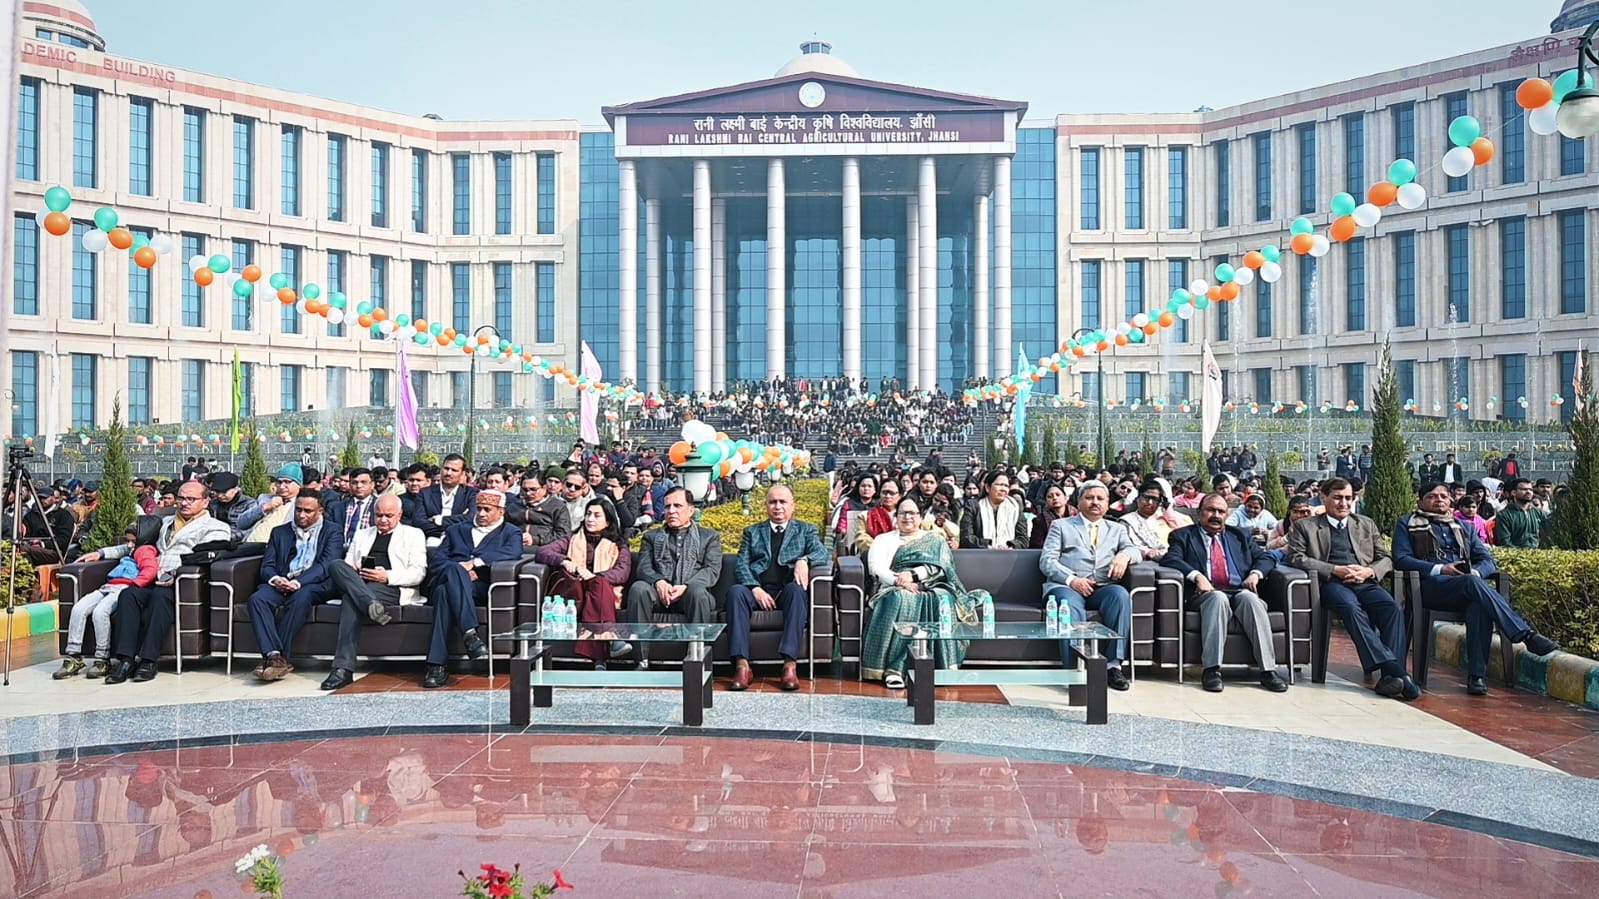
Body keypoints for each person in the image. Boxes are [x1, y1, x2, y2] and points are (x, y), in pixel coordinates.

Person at [1393, 482, 1558, 696]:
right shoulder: (1407, 523)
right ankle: (1526, 635)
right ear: (1421, 501)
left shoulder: (1464, 527)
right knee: (1472, 584)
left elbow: (1487, 560)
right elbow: (1402, 559)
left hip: (1467, 588)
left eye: (1443, 496)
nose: (1439, 500)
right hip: (1429, 588)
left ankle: (1476, 676)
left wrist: (1477, 572)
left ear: (1450, 500)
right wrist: (1441, 569)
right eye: (1433, 496)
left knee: (1478, 603)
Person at [1288, 478, 1419, 701]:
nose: (1344, 503)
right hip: (1331, 584)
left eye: (1348, 498)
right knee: (1350, 607)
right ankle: (1397, 671)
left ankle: (1390, 678)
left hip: (1365, 581)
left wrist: (1369, 571)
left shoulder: (1365, 524)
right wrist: (1334, 569)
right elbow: (1296, 558)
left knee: (1392, 608)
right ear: (1323, 498)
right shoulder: (1306, 526)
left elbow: (1386, 558)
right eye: (1338, 498)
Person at [95, 482, 234, 684]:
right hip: (151, 576)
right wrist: (101, 553)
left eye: (191, 499)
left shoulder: (216, 527)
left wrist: (176, 573)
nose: (184, 503)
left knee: (160, 598)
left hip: (182, 583)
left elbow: (206, 557)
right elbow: (136, 546)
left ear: (205, 501)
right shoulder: (164, 522)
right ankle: (125, 660)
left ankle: (149, 660)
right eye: (181, 498)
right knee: (128, 595)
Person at [1159, 493, 1288, 693]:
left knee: (1250, 599)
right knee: (1218, 598)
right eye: (1211, 510)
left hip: (1240, 589)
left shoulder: (1240, 535)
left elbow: (1266, 558)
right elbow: (1170, 559)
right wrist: (1197, 576)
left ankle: (1268, 671)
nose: (1216, 515)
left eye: (1221, 511)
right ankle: (1211, 670)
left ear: (1227, 514)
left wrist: (1255, 574)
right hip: (1204, 595)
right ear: (1199, 512)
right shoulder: (1183, 536)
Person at [861, 498, 992, 689]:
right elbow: (876, 568)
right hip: (893, 587)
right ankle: (895, 669)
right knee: (902, 598)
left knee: (942, 599)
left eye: (912, 513)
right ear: (896, 517)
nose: (907, 517)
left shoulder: (934, 540)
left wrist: (914, 575)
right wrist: (900, 580)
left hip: (931, 585)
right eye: (903, 513)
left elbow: (942, 568)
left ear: (920, 517)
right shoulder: (884, 540)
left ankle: (940, 667)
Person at [319, 495, 429, 691]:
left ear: (400, 515)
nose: (383, 520)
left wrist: (386, 576)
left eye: (389, 515)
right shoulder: (363, 534)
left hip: (392, 587)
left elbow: (418, 573)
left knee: (350, 599)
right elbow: (347, 566)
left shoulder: (414, 534)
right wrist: (356, 569)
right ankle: (370, 604)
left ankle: (343, 669)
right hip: (361, 583)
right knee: (336, 565)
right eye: (379, 515)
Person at [726, 484, 827, 692]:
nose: (778, 507)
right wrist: (755, 588)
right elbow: (741, 564)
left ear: (792, 506)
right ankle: (742, 665)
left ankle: (789, 664)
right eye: (773, 502)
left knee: (797, 591)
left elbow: (822, 553)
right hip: (758, 590)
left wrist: (804, 560)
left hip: (786, 591)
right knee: (735, 592)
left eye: (783, 502)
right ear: (766, 506)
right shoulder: (752, 532)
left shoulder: (806, 530)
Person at [1039, 482, 1137, 691]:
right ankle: (1076, 669)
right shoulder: (1062, 526)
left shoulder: (1117, 528)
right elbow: (1047, 560)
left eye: (1100, 499)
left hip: (1102, 586)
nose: (1095, 502)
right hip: (1067, 586)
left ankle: (1113, 665)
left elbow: (1134, 549)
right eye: (1089, 498)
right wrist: (1072, 579)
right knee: (1068, 604)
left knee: (1120, 596)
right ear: (1079, 501)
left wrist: (1124, 555)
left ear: (1107, 503)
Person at [419, 490, 522, 688]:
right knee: (451, 572)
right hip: (449, 579)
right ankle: (470, 635)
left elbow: (513, 552)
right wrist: (459, 571)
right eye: (479, 509)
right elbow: (438, 562)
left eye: (487, 510)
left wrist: (476, 563)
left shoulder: (510, 532)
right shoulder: (456, 530)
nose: (481, 514)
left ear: (501, 511)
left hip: (480, 587)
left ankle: (436, 665)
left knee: (444, 593)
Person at [247, 488, 343, 682]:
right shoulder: (280, 532)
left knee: (301, 597)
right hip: (281, 581)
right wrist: (276, 579)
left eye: (308, 511)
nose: (301, 515)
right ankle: (275, 656)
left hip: (312, 583)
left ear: (320, 510)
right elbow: (267, 566)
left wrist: (298, 582)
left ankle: (276, 657)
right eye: (298, 509)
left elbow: (326, 565)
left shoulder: (333, 531)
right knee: (257, 599)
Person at [622, 487, 721, 667]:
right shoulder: (651, 537)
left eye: (677, 506)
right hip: (660, 594)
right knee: (638, 588)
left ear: (691, 510)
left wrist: (687, 586)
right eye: (667, 506)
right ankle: (641, 660)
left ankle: (697, 660)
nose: (671, 511)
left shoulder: (709, 537)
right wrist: (659, 581)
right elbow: (644, 567)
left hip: (692, 595)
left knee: (697, 592)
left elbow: (711, 570)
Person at [55, 517, 161, 680]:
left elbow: (151, 570)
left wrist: (135, 584)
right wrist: (100, 553)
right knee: (78, 608)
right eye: (128, 541)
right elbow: (118, 550)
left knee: (100, 612)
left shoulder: (144, 551)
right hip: (108, 585)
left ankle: (102, 657)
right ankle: (73, 654)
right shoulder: (133, 548)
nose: (129, 545)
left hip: (124, 587)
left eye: (132, 541)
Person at [536, 498, 633, 669]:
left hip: (603, 591)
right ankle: (611, 638)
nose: (590, 519)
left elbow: (622, 572)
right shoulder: (571, 539)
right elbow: (543, 551)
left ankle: (599, 659)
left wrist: (594, 576)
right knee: (599, 585)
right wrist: (564, 560)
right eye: (588, 514)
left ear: (608, 521)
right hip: (576, 591)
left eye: (597, 516)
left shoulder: (618, 545)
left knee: (600, 583)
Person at [407, 454, 479, 540]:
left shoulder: (471, 494)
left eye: (454, 470)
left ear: (463, 474)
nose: (449, 473)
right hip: (431, 541)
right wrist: (457, 522)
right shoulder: (425, 493)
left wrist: (439, 519)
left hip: (461, 541)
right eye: (446, 468)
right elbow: (419, 522)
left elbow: (471, 519)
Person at [959, 470, 1028, 549]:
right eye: (999, 485)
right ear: (987, 487)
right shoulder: (973, 506)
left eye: (1006, 486)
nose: (1003, 489)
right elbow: (966, 538)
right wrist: (988, 546)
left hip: (1009, 556)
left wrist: (1010, 546)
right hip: (980, 557)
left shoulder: (1014, 508)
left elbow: (1023, 539)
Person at [237, 464, 305, 543]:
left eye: (287, 482)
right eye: (279, 482)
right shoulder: (265, 498)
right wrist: (264, 507)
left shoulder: (301, 504)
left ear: (299, 485)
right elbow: (241, 523)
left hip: (276, 548)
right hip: (250, 544)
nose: (282, 486)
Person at [1123, 479, 1186, 560]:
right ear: (1138, 498)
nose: (1150, 502)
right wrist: (1148, 552)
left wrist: (1168, 509)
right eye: (1146, 497)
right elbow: (1128, 545)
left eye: (1155, 499)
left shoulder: (1165, 518)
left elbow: (1185, 536)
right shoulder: (1128, 521)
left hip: (1174, 559)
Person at [16, 485, 76, 566]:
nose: (41, 500)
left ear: (53, 498)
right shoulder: (31, 515)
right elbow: (26, 531)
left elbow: (63, 539)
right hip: (31, 547)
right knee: (16, 549)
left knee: (23, 550)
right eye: (39, 498)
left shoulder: (63, 515)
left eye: (45, 498)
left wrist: (43, 544)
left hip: (53, 551)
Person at [521, 469, 571, 548]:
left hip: (542, 548)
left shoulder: (557, 507)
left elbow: (563, 535)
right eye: (525, 490)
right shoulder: (514, 505)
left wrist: (536, 540)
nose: (528, 493)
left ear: (544, 488)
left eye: (533, 489)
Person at [1494, 478, 1547, 548]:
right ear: (1513, 492)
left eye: (1530, 490)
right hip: (1517, 555)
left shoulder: (1539, 513)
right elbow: (1505, 542)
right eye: (1524, 489)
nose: (1528, 492)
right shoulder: (1504, 515)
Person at [330, 468, 378, 547]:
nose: (359, 486)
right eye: (354, 483)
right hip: (340, 552)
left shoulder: (379, 507)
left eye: (363, 482)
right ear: (350, 485)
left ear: (372, 485)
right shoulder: (337, 508)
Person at [205, 472, 254, 541]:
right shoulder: (213, 504)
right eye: (217, 492)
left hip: (237, 544)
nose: (220, 496)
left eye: (224, 492)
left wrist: (223, 538)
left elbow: (247, 530)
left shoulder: (249, 505)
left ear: (236, 489)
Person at [1028, 484, 1071, 550]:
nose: (1054, 498)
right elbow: (1036, 545)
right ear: (1046, 502)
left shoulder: (1077, 515)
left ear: (1065, 498)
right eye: (1050, 496)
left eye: (1058, 495)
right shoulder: (1040, 520)